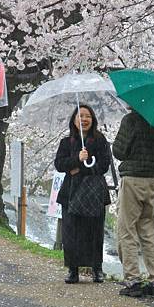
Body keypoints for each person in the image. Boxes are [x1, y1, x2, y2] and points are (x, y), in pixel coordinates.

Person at [112, 108, 154, 297]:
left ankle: (133, 280)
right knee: (147, 229)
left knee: (126, 229)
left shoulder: (131, 120)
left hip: (133, 179)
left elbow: (119, 152)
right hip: (152, 181)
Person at [54, 104, 111, 284]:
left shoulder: (100, 140)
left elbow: (104, 165)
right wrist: (77, 159)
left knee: (95, 231)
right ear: (74, 120)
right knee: (71, 231)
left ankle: (97, 268)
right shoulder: (67, 142)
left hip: (94, 192)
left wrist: (79, 170)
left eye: (88, 116)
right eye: (81, 116)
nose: (84, 119)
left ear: (93, 120)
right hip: (71, 192)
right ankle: (73, 269)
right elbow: (59, 164)